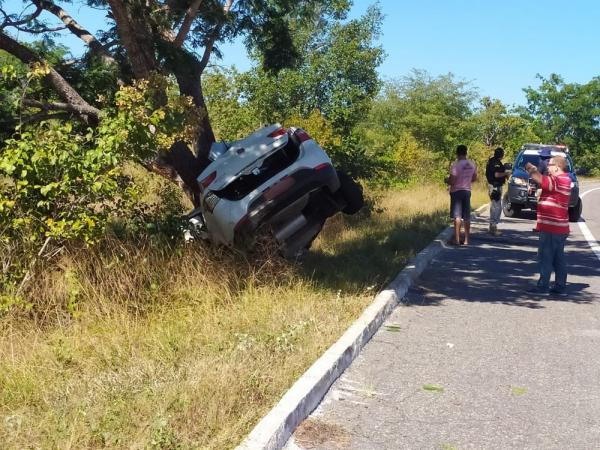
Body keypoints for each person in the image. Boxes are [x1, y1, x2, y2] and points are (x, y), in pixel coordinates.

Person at [525, 156, 572, 296]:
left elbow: (541, 180)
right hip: (558, 227)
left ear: (557, 167)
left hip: (553, 227)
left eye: (550, 164)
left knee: (546, 256)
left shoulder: (560, 180)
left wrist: (530, 168)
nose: (547, 167)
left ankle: (543, 286)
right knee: (558, 258)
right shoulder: (564, 180)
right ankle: (560, 286)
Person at [446, 144, 477, 246]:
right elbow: (474, 178)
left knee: (457, 216)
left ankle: (457, 239)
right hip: (467, 191)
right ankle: (467, 240)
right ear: (466, 153)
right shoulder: (472, 164)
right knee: (467, 216)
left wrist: (446, 180)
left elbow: (453, 181)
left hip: (456, 192)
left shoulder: (455, 165)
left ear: (457, 153)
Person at [485, 147, 509, 235]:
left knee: (495, 206)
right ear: (501, 154)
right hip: (495, 186)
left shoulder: (492, 161)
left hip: (495, 185)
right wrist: (506, 173)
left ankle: (492, 226)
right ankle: (493, 227)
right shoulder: (496, 163)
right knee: (496, 207)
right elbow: (496, 174)